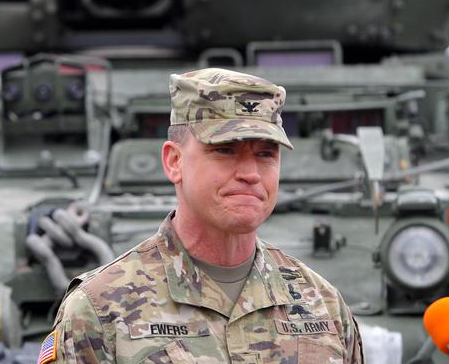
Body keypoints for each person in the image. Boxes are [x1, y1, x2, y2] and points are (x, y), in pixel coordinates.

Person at [40, 68, 364, 364]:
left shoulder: (323, 306)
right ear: (174, 162)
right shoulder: (99, 311)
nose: (251, 173)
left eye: (266, 154)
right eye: (225, 150)